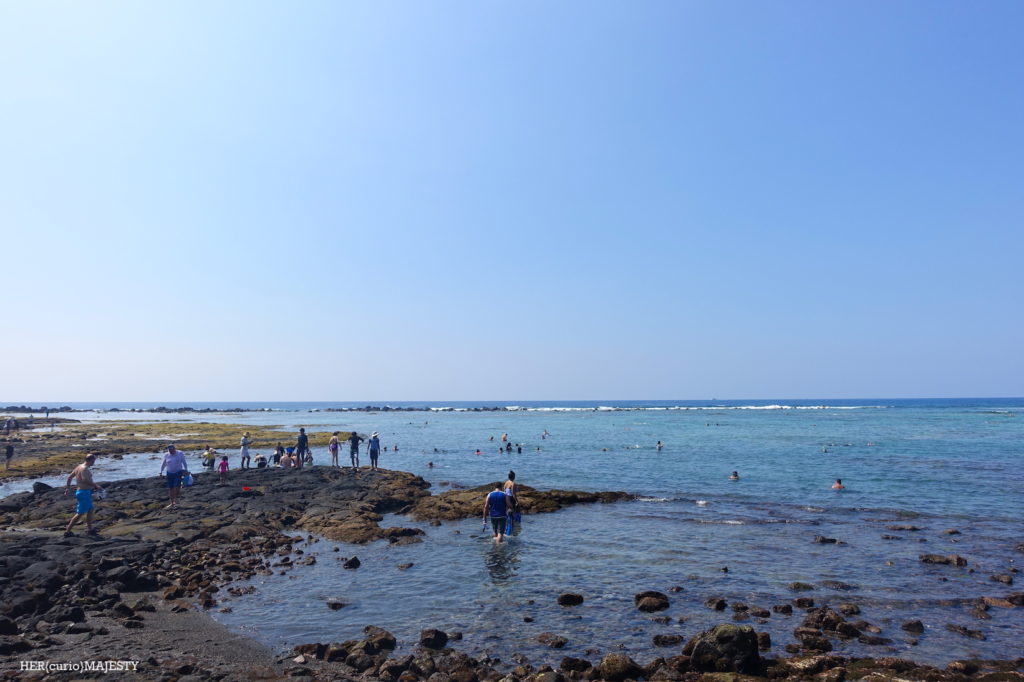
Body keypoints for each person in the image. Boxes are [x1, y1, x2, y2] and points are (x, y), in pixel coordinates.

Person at [64, 454, 105, 536]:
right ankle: (67, 531)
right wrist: (96, 486)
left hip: (85, 492)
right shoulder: (84, 469)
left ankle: (90, 530)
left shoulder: (79, 467)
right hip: (83, 493)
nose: (94, 463)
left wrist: (67, 488)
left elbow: (69, 477)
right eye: (93, 461)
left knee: (90, 510)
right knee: (80, 513)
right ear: (90, 460)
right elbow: (85, 480)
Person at [159, 445, 189, 509]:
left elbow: (184, 462)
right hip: (169, 473)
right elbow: (163, 464)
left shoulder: (180, 453)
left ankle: (175, 500)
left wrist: (185, 470)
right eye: (169, 450)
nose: (171, 451)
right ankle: (172, 502)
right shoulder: (166, 455)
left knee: (177, 487)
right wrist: (160, 472)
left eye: (172, 450)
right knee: (171, 488)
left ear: (174, 449)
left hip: (178, 472)